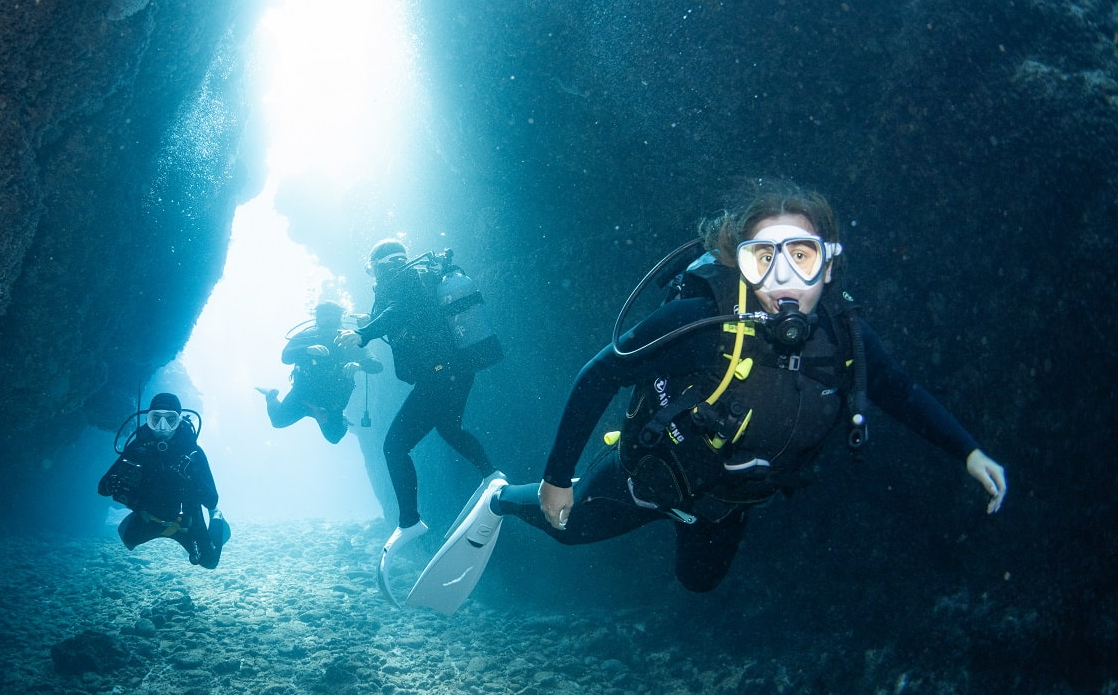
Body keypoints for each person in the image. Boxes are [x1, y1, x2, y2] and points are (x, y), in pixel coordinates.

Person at [407, 184, 1007, 614]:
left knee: (698, 584)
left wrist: (968, 452)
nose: (783, 275)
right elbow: (598, 376)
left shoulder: (845, 337)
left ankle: (676, 522)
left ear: (828, 267)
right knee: (566, 528)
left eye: (802, 254)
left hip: (727, 502)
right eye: (762, 257)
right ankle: (502, 498)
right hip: (650, 474)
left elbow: (901, 392)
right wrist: (557, 478)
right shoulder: (701, 321)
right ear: (740, 266)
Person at [337, 238, 503, 600]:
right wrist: (371, 323)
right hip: (459, 369)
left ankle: (409, 521)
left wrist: (364, 333)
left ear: (378, 267)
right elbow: (405, 316)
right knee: (448, 427)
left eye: (372, 271)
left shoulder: (400, 282)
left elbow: (398, 311)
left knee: (394, 447)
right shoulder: (418, 280)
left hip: (439, 374)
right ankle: (491, 474)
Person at [98, 392, 231, 567]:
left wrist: (195, 481)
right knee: (129, 539)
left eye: (170, 420)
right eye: (156, 419)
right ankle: (135, 523)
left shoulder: (192, 452)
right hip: (149, 517)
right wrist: (114, 485)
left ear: (179, 421)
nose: (162, 427)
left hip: (186, 521)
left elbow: (212, 499)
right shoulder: (138, 447)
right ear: (148, 420)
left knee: (209, 562)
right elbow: (102, 488)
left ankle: (217, 518)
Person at [256, 300, 383, 444]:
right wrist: (306, 350)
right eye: (324, 315)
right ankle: (271, 395)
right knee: (278, 421)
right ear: (317, 318)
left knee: (334, 437)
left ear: (339, 318)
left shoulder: (349, 339)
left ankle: (336, 418)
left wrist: (359, 365)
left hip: (332, 401)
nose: (328, 319)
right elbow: (286, 357)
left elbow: (377, 365)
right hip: (303, 395)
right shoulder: (306, 336)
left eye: (332, 315)